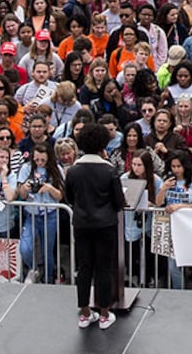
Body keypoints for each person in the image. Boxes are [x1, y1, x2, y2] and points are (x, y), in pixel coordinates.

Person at [62, 121, 125, 330]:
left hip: (81, 224)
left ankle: (84, 312)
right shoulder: (109, 170)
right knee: (103, 268)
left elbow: (69, 197)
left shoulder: (73, 171)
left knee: (84, 268)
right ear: (102, 144)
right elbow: (118, 201)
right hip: (106, 225)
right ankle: (105, 314)